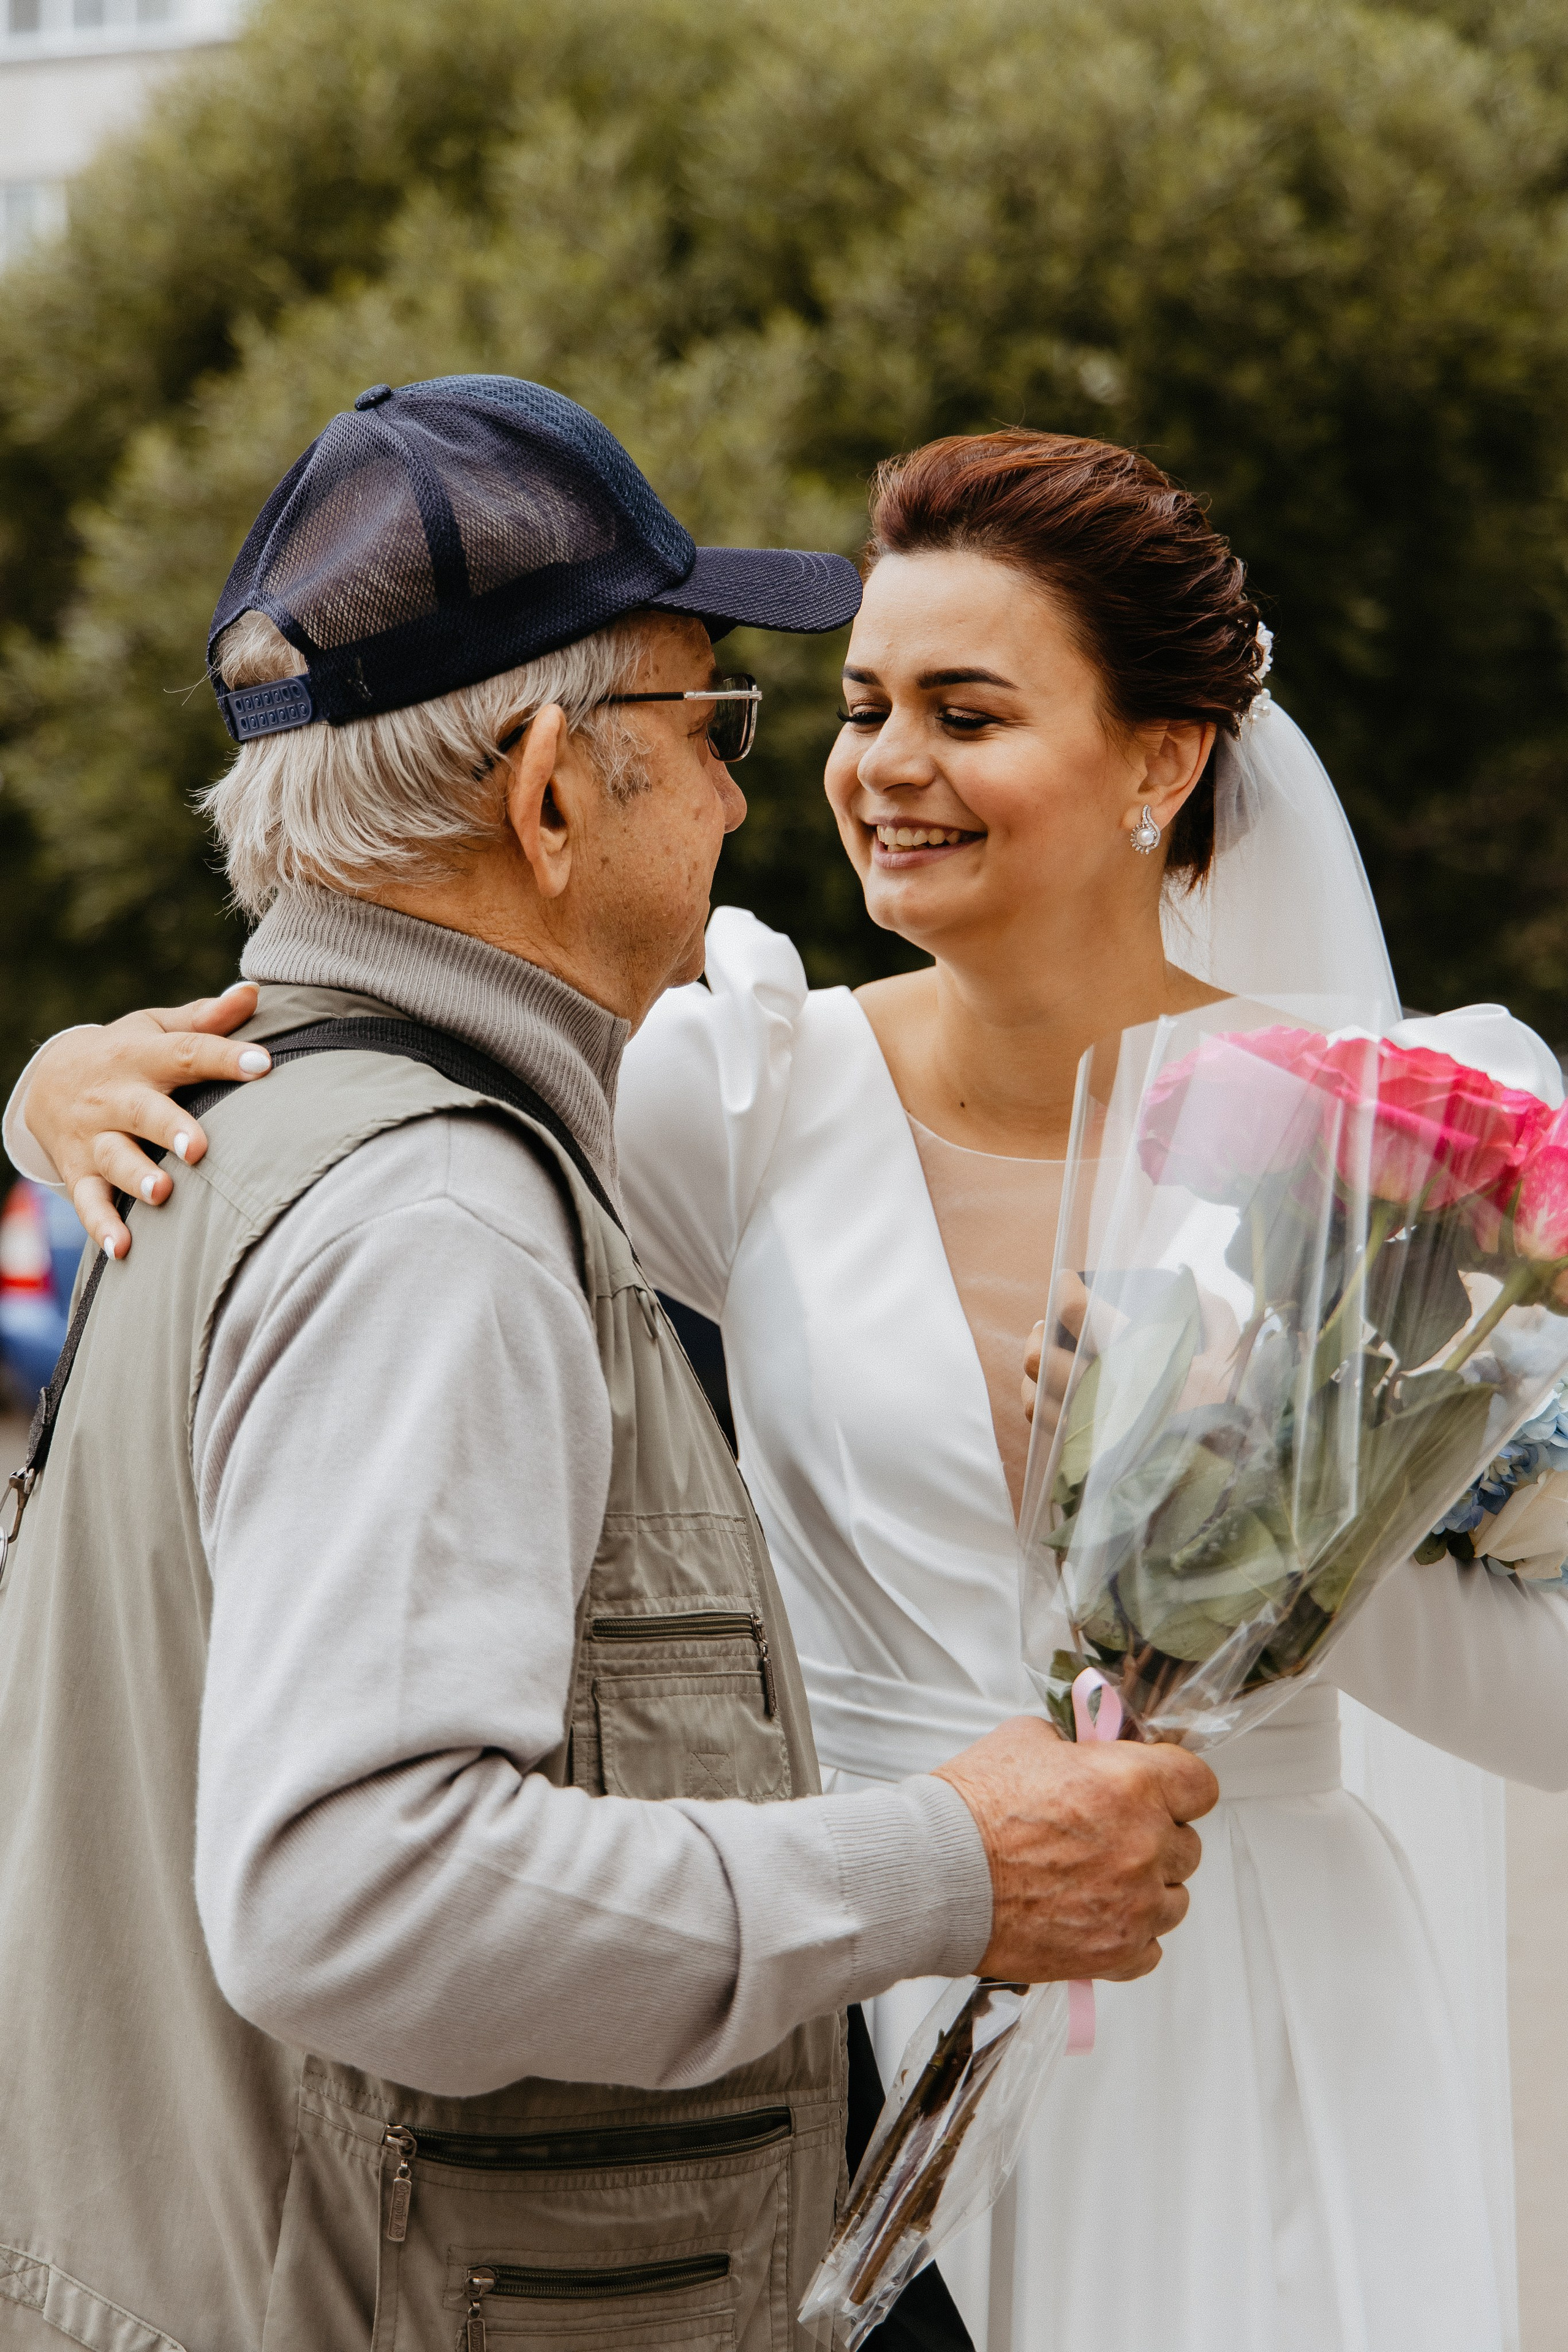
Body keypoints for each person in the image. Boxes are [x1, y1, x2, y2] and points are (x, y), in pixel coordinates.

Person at [18, 427, 1561, 2351]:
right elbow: (404, 1075)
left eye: (966, 709)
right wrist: (63, 1073)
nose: (874, 768)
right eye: (850, 705)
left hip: (1237, 1985)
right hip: (841, 1988)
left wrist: (1285, 1514)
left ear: (1160, 761)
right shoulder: (739, 1086)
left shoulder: (1412, 1150)